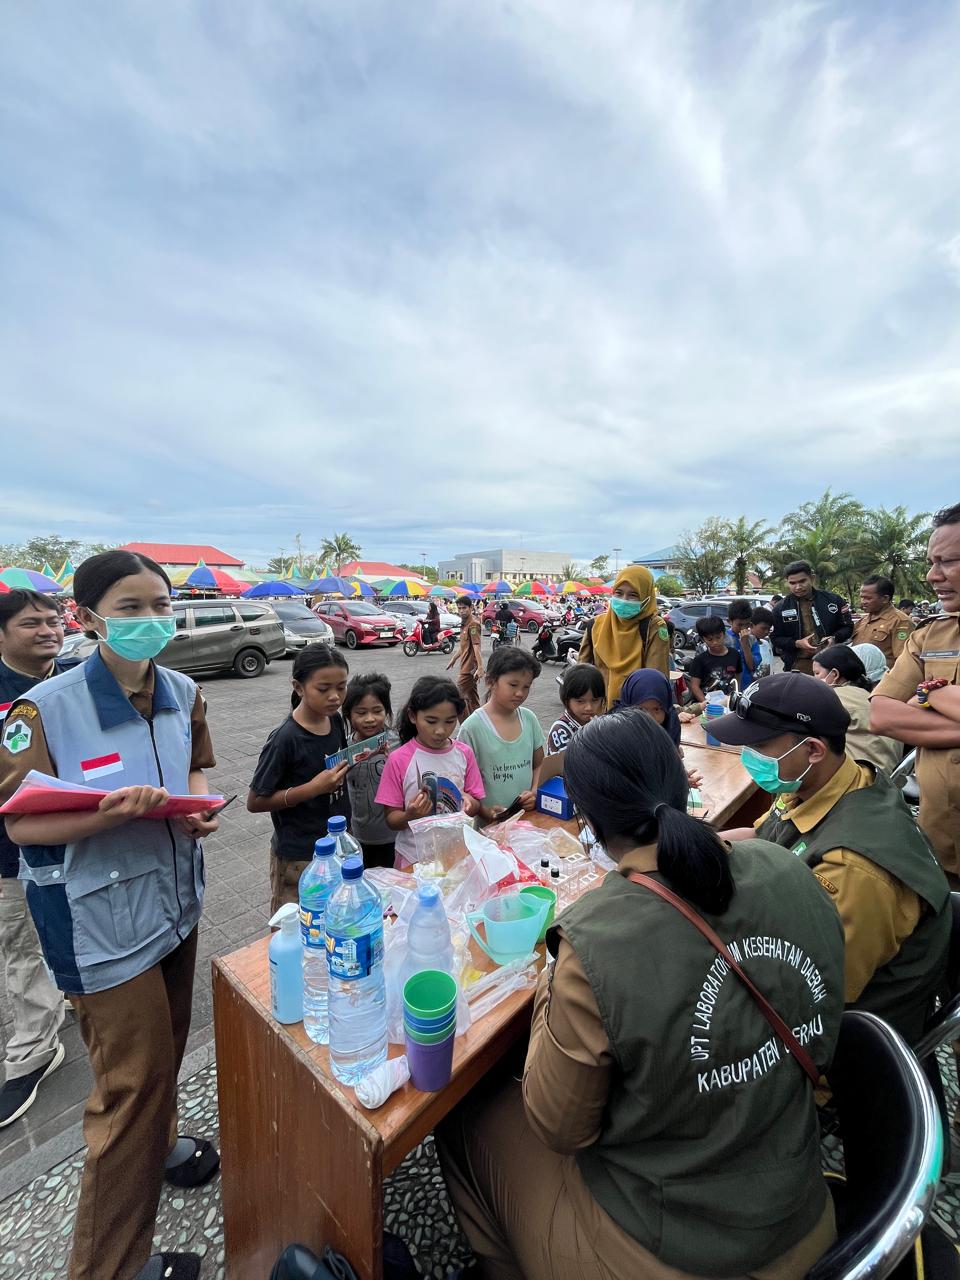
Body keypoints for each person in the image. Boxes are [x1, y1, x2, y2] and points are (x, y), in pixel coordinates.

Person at [437, 710, 845, 1280]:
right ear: (681, 780)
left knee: (463, 1118)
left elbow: (561, 1128)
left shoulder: (598, 938)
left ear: (587, 817)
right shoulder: (785, 867)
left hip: (671, 1249)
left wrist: (557, 974)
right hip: (799, 1204)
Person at [0, 551, 221, 1280]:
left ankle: (160, 1151)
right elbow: (20, 827)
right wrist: (104, 815)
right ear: (88, 618)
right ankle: (110, 1267)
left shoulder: (184, 689)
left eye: (160, 603)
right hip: (96, 926)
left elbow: (194, 770)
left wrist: (196, 809)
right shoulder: (45, 709)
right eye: (130, 608)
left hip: (174, 903)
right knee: (131, 1093)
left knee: (167, 1049)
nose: (152, 619)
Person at [710, 673, 949, 1043]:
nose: (748, 756)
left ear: (814, 749)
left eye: (758, 745)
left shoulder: (853, 867)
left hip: (843, 1040)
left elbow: (812, 994)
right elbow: (761, 834)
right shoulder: (826, 780)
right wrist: (690, 847)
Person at [0, 591, 70, 1127]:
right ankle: (32, 1049)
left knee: (64, 935)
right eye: (32, 624)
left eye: (54, 620)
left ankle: (65, 1001)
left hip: (78, 840)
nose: (49, 630)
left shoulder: (72, 681)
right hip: (11, 851)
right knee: (22, 946)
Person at [871, 501, 960, 881]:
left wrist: (929, 696)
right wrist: (939, 699)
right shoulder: (932, 635)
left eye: (949, 561)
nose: (932, 576)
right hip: (942, 848)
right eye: (931, 561)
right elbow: (882, 714)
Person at [247, 644, 351, 913]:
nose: (335, 697)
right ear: (298, 687)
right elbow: (255, 800)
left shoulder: (336, 721)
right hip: (299, 854)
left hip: (337, 844)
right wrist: (313, 788)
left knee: (333, 916)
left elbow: (336, 765)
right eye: (323, 688)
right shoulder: (285, 739)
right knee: (296, 921)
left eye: (341, 687)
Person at [375, 677, 484, 868]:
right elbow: (392, 819)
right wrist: (411, 814)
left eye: (450, 721)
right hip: (414, 857)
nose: (440, 730)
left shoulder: (464, 753)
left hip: (456, 853)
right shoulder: (399, 759)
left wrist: (468, 802)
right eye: (431, 721)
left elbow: (476, 804)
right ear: (412, 716)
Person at [458, 648, 545, 815]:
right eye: (513, 685)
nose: (520, 693)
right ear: (490, 681)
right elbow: (463, 785)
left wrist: (534, 791)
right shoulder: (472, 728)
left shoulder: (529, 719)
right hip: (488, 828)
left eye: (526, 687)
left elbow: (539, 764)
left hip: (527, 821)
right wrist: (484, 811)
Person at [575, 566, 670, 708]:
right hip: (598, 716)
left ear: (647, 597)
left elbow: (655, 680)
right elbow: (581, 674)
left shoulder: (654, 627)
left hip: (635, 716)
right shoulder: (596, 625)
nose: (624, 600)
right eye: (619, 593)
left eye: (633, 595)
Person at [812, 645, 904, 776]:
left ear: (835, 674)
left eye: (817, 673)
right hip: (887, 778)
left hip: (860, 781)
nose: (814, 678)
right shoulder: (872, 696)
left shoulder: (833, 699)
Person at [342, 672, 398, 868]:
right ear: (348, 714)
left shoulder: (398, 742)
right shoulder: (344, 748)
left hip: (394, 836)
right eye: (361, 712)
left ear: (387, 710)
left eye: (377, 710)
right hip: (359, 836)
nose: (370, 719)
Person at [770, 562, 853, 675]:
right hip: (798, 665)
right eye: (792, 583)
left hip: (832, 663)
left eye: (802, 581)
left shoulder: (834, 600)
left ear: (812, 578)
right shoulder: (780, 608)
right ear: (787, 583)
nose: (798, 587)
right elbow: (775, 638)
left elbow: (848, 627)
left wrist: (834, 638)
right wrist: (797, 643)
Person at [852, 575, 914, 670]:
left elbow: (904, 660)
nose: (863, 602)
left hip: (883, 680)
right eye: (862, 597)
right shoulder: (862, 621)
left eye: (868, 598)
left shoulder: (901, 622)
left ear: (885, 599)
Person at [547, 663, 605, 754]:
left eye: (595, 700)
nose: (589, 707)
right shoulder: (560, 730)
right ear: (567, 700)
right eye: (580, 701)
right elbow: (572, 762)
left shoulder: (602, 724)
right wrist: (593, 735)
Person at [686, 616, 743, 703]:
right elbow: (694, 686)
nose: (715, 642)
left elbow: (737, 678)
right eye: (710, 639)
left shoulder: (735, 655)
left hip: (728, 704)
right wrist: (707, 704)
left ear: (724, 634)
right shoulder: (700, 660)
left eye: (718, 637)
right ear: (703, 639)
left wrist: (734, 697)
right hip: (707, 707)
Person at [446, 595, 484, 720]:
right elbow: (463, 647)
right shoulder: (465, 625)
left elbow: (476, 646)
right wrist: (454, 659)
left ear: (471, 607)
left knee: (456, 698)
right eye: (459, 608)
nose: (461, 611)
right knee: (473, 699)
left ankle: (465, 729)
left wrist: (480, 667)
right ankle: (482, 723)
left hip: (469, 670)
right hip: (465, 666)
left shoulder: (473, 625)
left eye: (464, 608)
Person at [726, 598, 760, 688]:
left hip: (747, 685)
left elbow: (752, 666)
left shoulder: (752, 639)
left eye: (747, 624)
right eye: (740, 625)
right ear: (729, 621)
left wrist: (745, 644)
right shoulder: (723, 639)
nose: (743, 628)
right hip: (728, 685)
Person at [751, 606, 775, 675]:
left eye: (769, 628)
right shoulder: (746, 645)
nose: (766, 631)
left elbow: (771, 665)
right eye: (763, 628)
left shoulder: (766, 643)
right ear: (751, 625)